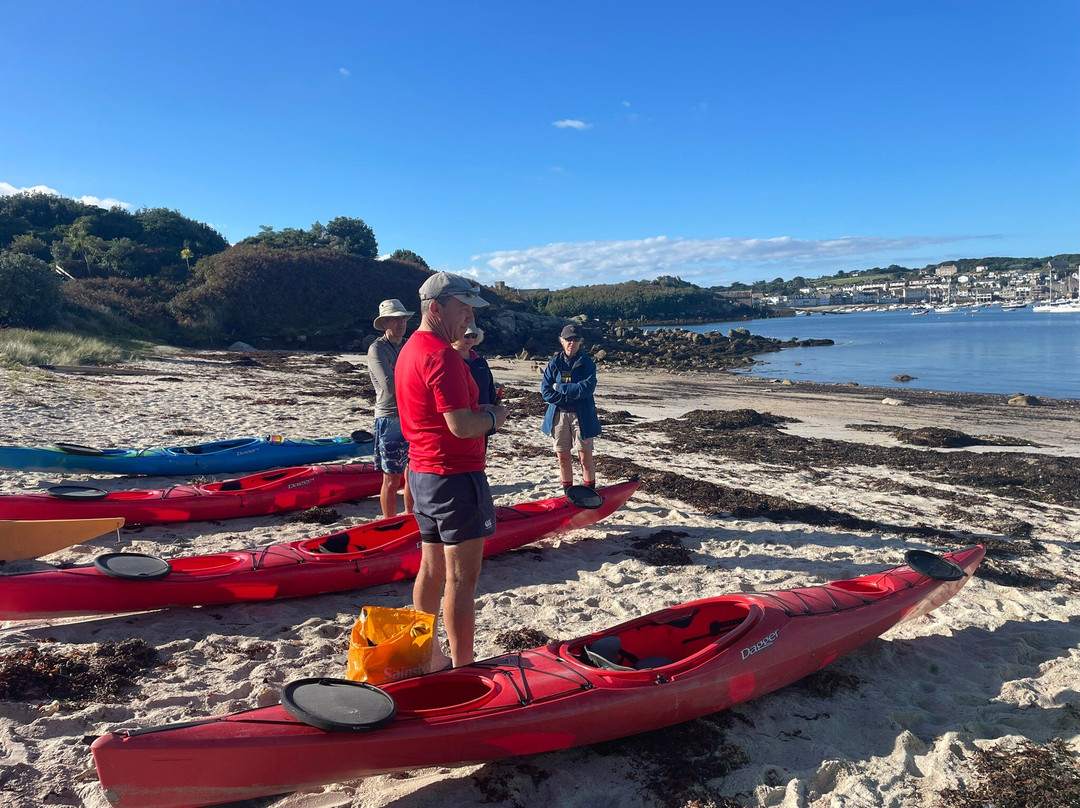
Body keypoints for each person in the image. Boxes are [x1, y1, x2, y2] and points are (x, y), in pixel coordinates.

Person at [395, 272, 507, 670]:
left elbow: (431, 415)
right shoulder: (442, 355)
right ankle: (463, 666)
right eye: (463, 309)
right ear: (436, 308)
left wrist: (480, 411)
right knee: (461, 580)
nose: (469, 319)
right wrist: (495, 417)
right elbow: (461, 425)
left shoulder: (410, 348)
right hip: (455, 477)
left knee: (431, 568)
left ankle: (428, 654)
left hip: (423, 474)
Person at [366, 299, 415, 519]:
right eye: (395, 319)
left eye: (403, 318)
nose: (401, 323)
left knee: (413, 473)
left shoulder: (409, 345)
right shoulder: (377, 349)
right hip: (390, 418)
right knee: (392, 478)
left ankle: (410, 516)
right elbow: (390, 385)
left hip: (412, 415)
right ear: (384, 322)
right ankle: (389, 522)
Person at [541, 323, 601, 491]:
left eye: (575, 339)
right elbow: (546, 391)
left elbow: (587, 388)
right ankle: (568, 492)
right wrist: (572, 394)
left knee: (585, 458)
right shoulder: (555, 363)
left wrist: (560, 387)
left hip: (582, 416)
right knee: (563, 458)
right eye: (568, 339)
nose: (572, 343)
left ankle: (590, 492)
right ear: (562, 340)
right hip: (559, 415)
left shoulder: (587, 363)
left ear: (580, 341)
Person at [452, 324, 499, 449]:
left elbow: (489, 388)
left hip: (483, 416)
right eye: (467, 336)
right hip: (461, 417)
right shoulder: (449, 359)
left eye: (474, 336)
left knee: (481, 452)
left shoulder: (481, 361)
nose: (470, 340)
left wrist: (493, 407)